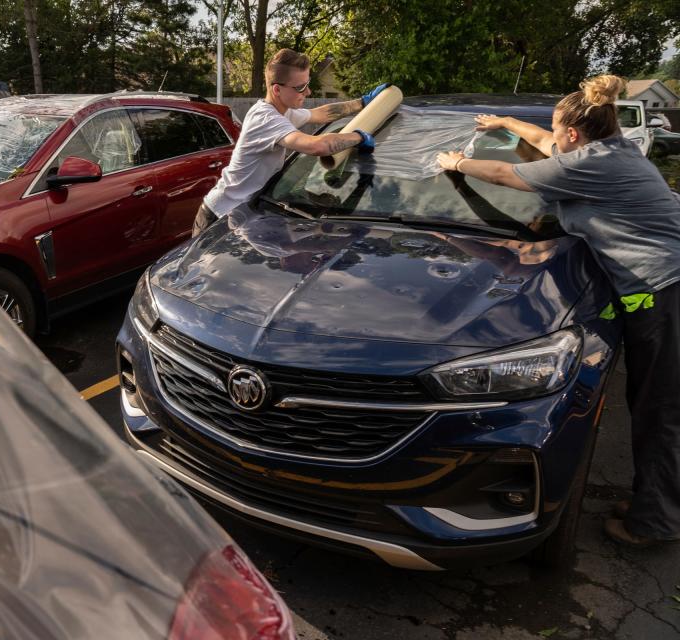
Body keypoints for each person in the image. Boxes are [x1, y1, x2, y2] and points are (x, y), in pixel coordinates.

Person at [436, 75, 680, 548]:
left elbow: (509, 176)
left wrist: (456, 161)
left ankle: (656, 521)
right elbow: (546, 141)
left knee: (661, 410)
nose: (552, 136)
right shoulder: (611, 150)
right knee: (654, 404)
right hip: (662, 289)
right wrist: (506, 122)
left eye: (557, 128)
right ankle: (657, 500)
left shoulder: (591, 165)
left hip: (664, 291)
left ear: (576, 136)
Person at [193, 48, 389, 236]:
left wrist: (362, 102)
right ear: (277, 89)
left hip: (243, 213)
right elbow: (316, 146)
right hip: (218, 217)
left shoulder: (283, 111)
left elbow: (320, 114)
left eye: (307, 83)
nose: (308, 91)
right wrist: (358, 137)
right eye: (300, 87)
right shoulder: (266, 119)